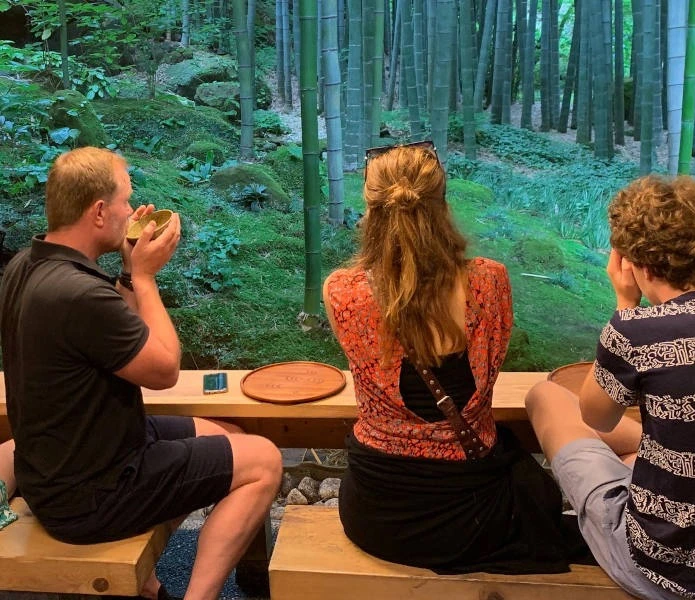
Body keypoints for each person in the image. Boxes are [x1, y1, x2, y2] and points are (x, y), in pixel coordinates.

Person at [0, 147, 283, 600]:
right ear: (98, 211)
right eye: (125, 202)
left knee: (225, 432)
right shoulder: (76, 293)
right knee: (264, 461)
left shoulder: (26, 266)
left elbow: (115, 337)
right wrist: (148, 278)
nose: (132, 211)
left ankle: (147, 582)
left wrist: (131, 271)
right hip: (95, 493)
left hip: (75, 460)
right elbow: (163, 370)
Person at [526, 175, 695, 600]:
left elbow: (594, 416)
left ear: (634, 262)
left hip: (661, 572)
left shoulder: (638, 330)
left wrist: (624, 307)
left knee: (545, 398)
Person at [323, 141, 588, 574]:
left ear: (369, 210)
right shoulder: (489, 282)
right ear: (442, 205)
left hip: (375, 516)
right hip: (475, 517)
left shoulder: (341, 292)